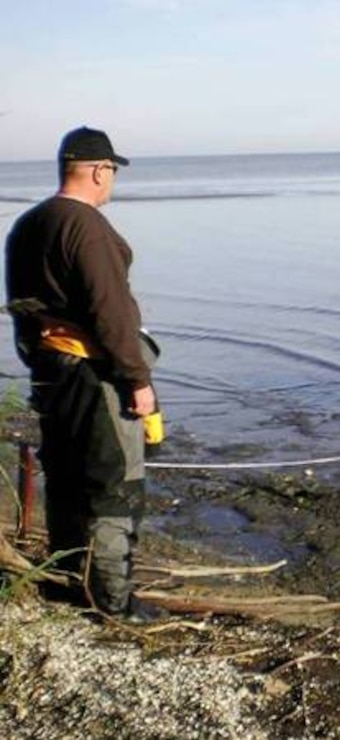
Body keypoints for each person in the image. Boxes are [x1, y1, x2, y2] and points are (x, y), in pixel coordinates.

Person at [5, 126, 160, 621]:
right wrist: (137, 381)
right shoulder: (87, 227)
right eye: (111, 171)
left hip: (53, 372)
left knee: (68, 478)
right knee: (113, 486)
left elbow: (21, 308)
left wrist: (39, 362)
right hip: (97, 377)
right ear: (98, 170)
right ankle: (113, 603)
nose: (112, 180)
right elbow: (111, 312)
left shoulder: (27, 224)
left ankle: (71, 582)